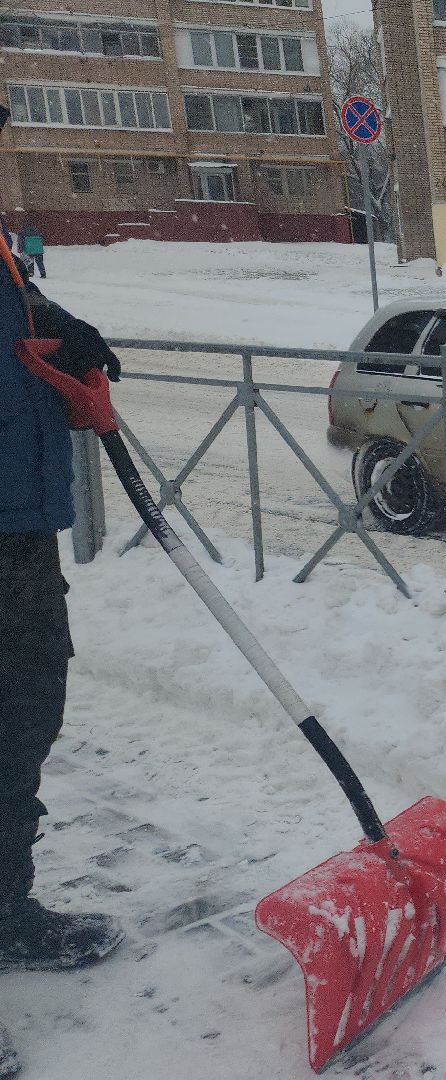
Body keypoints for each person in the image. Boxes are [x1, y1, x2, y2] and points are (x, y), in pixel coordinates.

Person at [0, 102, 126, 1079]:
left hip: (19, 530)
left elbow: (22, 324)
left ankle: (8, 909)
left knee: (24, 716)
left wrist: (70, 340)